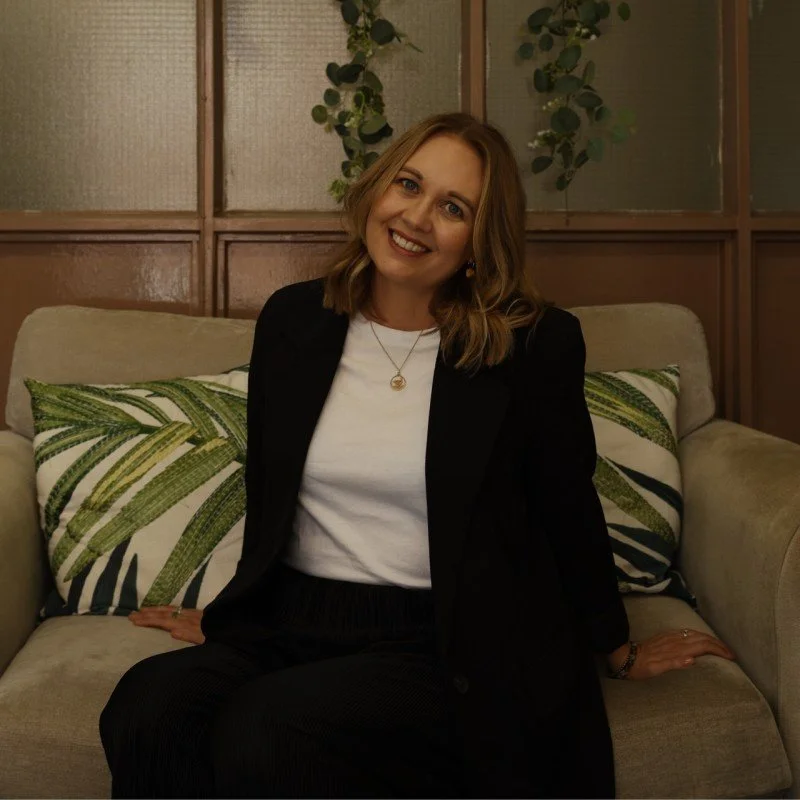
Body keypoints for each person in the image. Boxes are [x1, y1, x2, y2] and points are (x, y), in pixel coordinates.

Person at [100, 111, 736, 799]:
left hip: (442, 641)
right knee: (147, 704)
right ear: (377, 190)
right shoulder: (294, 321)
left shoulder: (530, 347)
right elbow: (270, 489)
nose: (417, 217)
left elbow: (567, 503)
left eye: (453, 207)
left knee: (267, 730)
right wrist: (233, 612)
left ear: (476, 244)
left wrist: (617, 644)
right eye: (408, 185)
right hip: (293, 620)